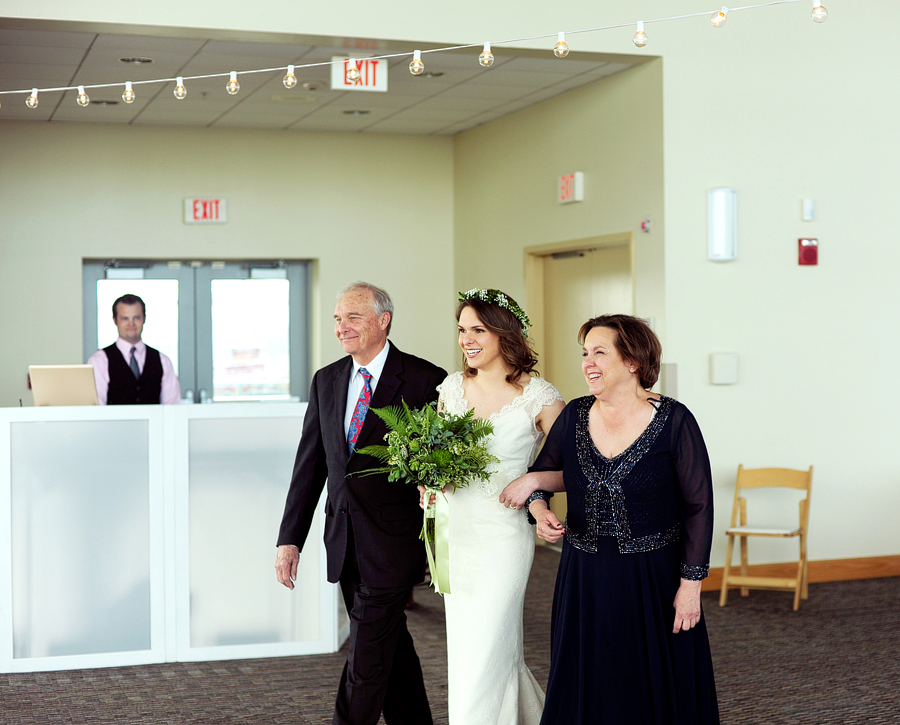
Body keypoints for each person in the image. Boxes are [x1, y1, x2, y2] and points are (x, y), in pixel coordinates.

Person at [500, 314, 719, 724]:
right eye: (585, 354)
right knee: (590, 678)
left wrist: (691, 585)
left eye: (600, 352)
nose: (588, 363)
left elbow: (698, 506)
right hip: (584, 575)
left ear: (633, 361)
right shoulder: (575, 416)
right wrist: (539, 508)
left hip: (653, 577)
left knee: (651, 683)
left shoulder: (675, 420)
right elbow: (545, 479)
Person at [275, 282, 446, 725]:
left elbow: (438, 465)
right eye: (337, 319)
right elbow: (310, 466)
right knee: (390, 645)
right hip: (344, 540)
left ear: (382, 320)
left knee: (366, 655)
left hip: (393, 543)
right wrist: (290, 539)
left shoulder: (427, 380)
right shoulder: (327, 379)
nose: (341, 328)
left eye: (352, 317)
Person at [426, 288, 564, 725]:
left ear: (504, 333)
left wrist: (534, 480)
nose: (466, 339)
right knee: (469, 648)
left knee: (488, 642)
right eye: (462, 330)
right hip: (454, 530)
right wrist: (430, 481)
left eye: (478, 330)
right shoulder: (451, 387)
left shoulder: (539, 396)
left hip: (503, 536)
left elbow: (583, 467)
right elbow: (435, 456)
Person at [87, 293, 181, 405]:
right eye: (125, 318)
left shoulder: (163, 360)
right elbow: (97, 407)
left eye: (136, 317)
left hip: (155, 423)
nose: (131, 324)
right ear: (115, 320)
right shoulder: (99, 361)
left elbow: (172, 407)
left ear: (144, 319)